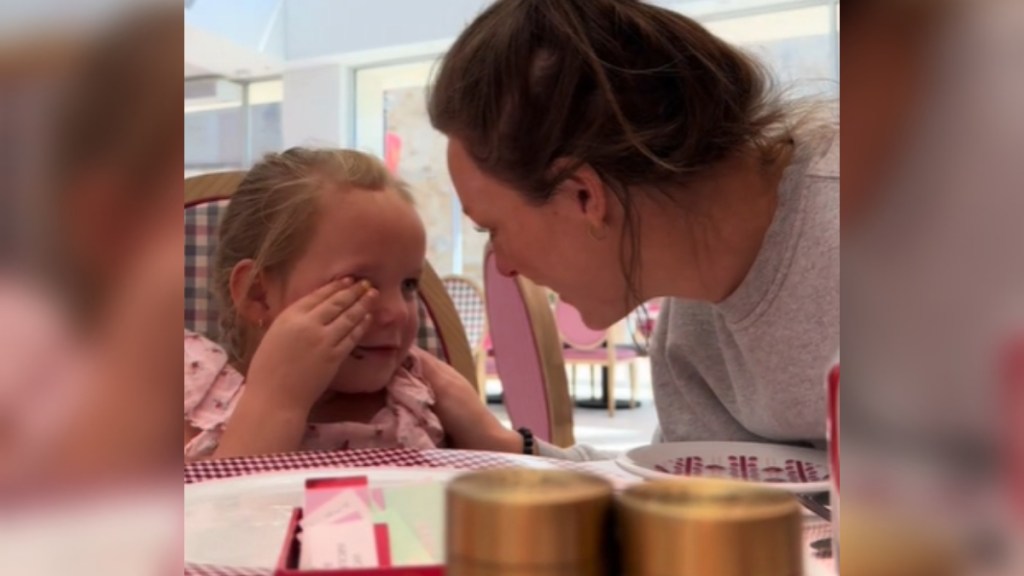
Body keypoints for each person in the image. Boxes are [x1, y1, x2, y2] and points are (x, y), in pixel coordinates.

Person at [426, 0, 839, 452]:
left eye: (492, 229)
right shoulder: (691, 326)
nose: (502, 267)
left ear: (583, 195)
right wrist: (508, 449)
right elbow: (693, 493)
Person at [184, 148, 531, 459]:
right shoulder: (197, 402)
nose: (398, 312)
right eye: (359, 285)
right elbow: (217, 520)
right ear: (258, 295)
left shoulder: (419, 399)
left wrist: (488, 437)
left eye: (409, 284)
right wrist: (277, 402)